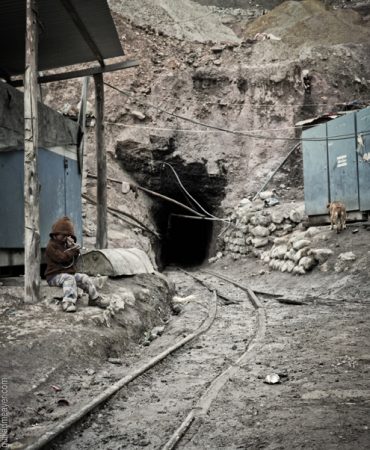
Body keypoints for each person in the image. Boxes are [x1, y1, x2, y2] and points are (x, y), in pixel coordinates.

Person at [45, 216, 109, 313]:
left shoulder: (66, 245)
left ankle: (94, 298)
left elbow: (72, 262)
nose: (66, 238)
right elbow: (61, 258)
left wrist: (75, 249)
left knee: (84, 278)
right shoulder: (51, 246)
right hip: (54, 276)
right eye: (63, 235)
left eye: (68, 236)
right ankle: (68, 302)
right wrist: (72, 251)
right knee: (69, 278)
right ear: (55, 235)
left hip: (67, 274)